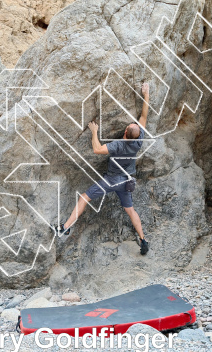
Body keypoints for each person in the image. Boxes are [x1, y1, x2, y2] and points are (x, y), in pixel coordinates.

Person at [57, 83, 151, 255]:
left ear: (124, 132)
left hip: (112, 180)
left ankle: (65, 228)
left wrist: (94, 131)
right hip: (127, 180)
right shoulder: (138, 141)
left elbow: (97, 150)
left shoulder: (118, 145)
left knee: (84, 198)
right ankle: (143, 240)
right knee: (130, 210)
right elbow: (144, 117)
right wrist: (146, 95)